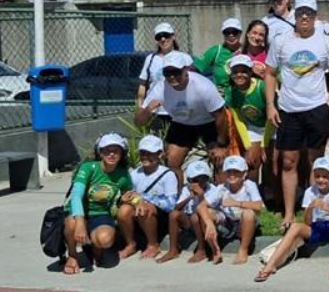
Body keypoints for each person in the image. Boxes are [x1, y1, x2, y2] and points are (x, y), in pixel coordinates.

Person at [265, 0, 329, 232]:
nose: (305, 17)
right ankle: (289, 213)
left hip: (317, 109)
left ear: (315, 15)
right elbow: (269, 72)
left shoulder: (325, 41)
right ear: (295, 14)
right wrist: (270, 104)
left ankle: (314, 209)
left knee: (314, 161)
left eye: (309, 13)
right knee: (288, 161)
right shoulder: (281, 41)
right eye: (301, 13)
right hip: (289, 110)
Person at [255, 156, 329, 282]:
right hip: (316, 226)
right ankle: (271, 264)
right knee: (295, 226)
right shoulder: (310, 191)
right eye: (317, 176)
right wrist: (311, 208)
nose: (320, 180)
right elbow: (307, 222)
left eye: (325, 176)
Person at [135, 51, 229, 175]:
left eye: (176, 72)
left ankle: (221, 186)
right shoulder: (160, 89)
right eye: (167, 73)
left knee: (219, 159)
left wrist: (221, 144)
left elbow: (220, 114)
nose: (172, 77)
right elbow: (138, 122)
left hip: (208, 122)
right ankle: (175, 187)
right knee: (171, 161)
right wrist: (148, 109)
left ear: (186, 70)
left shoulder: (203, 86)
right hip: (182, 123)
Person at [61, 133, 134, 275]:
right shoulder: (88, 167)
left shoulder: (123, 174)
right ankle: (72, 255)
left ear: (122, 154)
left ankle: (95, 248)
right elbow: (76, 195)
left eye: (116, 151)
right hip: (79, 212)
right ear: (100, 153)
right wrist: (80, 222)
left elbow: (130, 194)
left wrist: (136, 201)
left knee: (104, 240)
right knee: (72, 224)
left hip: (102, 213)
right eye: (107, 151)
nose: (111, 154)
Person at [197, 155, 264, 265]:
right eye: (229, 172)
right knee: (207, 213)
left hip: (244, 223)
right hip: (227, 222)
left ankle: (243, 249)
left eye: (236, 172)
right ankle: (215, 250)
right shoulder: (222, 188)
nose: (232, 175)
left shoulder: (249, 185)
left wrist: (236, 203)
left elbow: (258, 206)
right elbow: (201, 206)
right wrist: (209, 223)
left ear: (244, 173)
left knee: (248, 213)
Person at [128, 135, 179, 259]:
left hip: (161, 217)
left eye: (150, 153)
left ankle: (153, 244)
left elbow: (170, 205)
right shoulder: (135, 173)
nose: (145, 157)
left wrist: (144, 198)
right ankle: (130, 243)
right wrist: (135, 199)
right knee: (124, 210)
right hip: (140, 213)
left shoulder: (168, 175)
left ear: (159, 154)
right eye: (143, 153)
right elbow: (132, 195)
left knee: (146, 208)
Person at [157, 160, 213, 264]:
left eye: (204, 178)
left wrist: (201, 196)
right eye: (196, 180)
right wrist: (190, 197)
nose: (200, 183)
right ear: (189, 180)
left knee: (196, 216)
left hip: (204, 224)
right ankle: (173, 250)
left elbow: (208, 209)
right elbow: (176, 207)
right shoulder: (186, 189)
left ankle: (202, 250)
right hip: (189, 223)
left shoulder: (212, 189)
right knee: (174, 214)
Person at [225, 54, 267, 181]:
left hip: (272, 126)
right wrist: (248, 147)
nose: (239, 75)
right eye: (235, 72)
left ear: (250, 72)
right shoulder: (231, 92)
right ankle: (253, 190)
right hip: (253, 127)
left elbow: (272, 118)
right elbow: (239, 120)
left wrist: (264, 145)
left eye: (244, 71)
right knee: (252, 160)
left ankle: (270, 191)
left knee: (271, 162)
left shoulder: (262, 87)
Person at [137, 22, 180, 131]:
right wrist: (141, 107)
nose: (163, 39)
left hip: (177, 111)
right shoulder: (150, 59)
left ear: (173, 37)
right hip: (155, 111)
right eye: (159, 37)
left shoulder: (182, 58)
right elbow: (143, 85)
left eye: (166, 35)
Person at [195, 18, 243, 91]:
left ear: (240, 33)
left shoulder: (246, 50)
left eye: (234, 32)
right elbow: (196, 70)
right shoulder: (216, 51)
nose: (231, 35)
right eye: (227, 32)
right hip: (221, 96)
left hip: (243, 95)